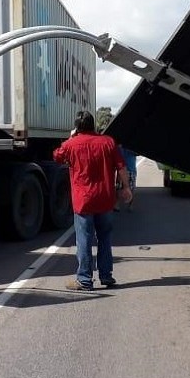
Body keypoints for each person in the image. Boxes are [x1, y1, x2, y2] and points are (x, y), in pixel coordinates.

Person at [53, 111, 132, 291]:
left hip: (84, 201)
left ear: (77, 127)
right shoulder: (108, 142)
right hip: (105, 199)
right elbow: (121, 167)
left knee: (84, 240)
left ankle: (85, 280)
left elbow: (57, 156)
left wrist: (70, 137)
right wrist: (126, 188)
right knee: (105, 237)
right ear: (93, 124)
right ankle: (106, 275)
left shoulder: (71, 144)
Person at [116, 145, 138, 211]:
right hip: (121, 169)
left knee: (131, 188)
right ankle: (117, 204)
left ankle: (130, 205)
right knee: (118, 187)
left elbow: (137, 153)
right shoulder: (119, 147)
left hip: (130, 169)